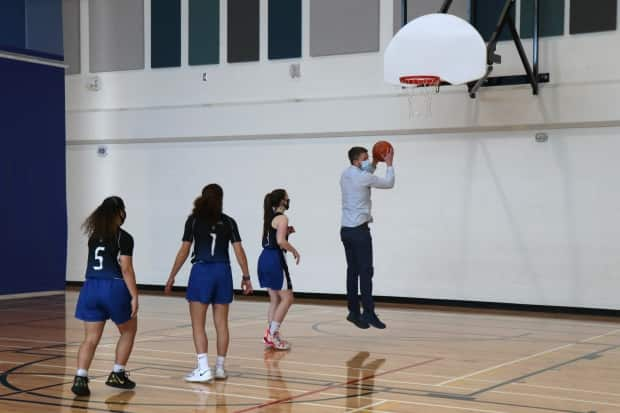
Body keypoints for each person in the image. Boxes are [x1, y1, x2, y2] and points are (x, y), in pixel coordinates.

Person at [165, 184, 253, 382]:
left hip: (202, 271)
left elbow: (184, 251)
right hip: (223, 271)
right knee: (222, 324)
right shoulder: (229, 222)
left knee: (198, 324)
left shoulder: (194, 220)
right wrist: (246, 277)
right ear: (221, 199)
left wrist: (172, 276)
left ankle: (203, 368)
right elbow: (239, 252)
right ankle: (220, 368)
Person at [72, 196, 139, 396]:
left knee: (90, 338)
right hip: (113, 286)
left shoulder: (94, 236)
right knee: (128, 331)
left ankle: (81, 378)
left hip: (90, 287)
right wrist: (134, 295)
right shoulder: (123, 237)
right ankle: (118, 373)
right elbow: (126, 269)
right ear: (119, 211)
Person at [340, 146, 395, 329]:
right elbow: (389, 183)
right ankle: (369, 313)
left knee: (352, 271)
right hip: (359, 232)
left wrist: (374, 162)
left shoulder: (346, 173)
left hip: (346, 231)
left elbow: (367, 170)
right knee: (366, 272)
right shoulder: (363, 177)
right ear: (357, 161)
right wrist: (388, 164)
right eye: (365, 157)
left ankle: (353, 312)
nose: (367, 160)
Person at [258, 189, 300, 350]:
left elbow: (275, 237)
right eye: (287, 198)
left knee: (275, 298)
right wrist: (294, 250)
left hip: (264, 258)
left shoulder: (271, 217)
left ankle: (273, 335)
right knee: (288, 298)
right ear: (282, 201)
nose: (289, 200)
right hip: (275, 260)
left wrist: (287, 231)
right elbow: (281, 241)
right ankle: (271, 333)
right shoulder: (283, 218)